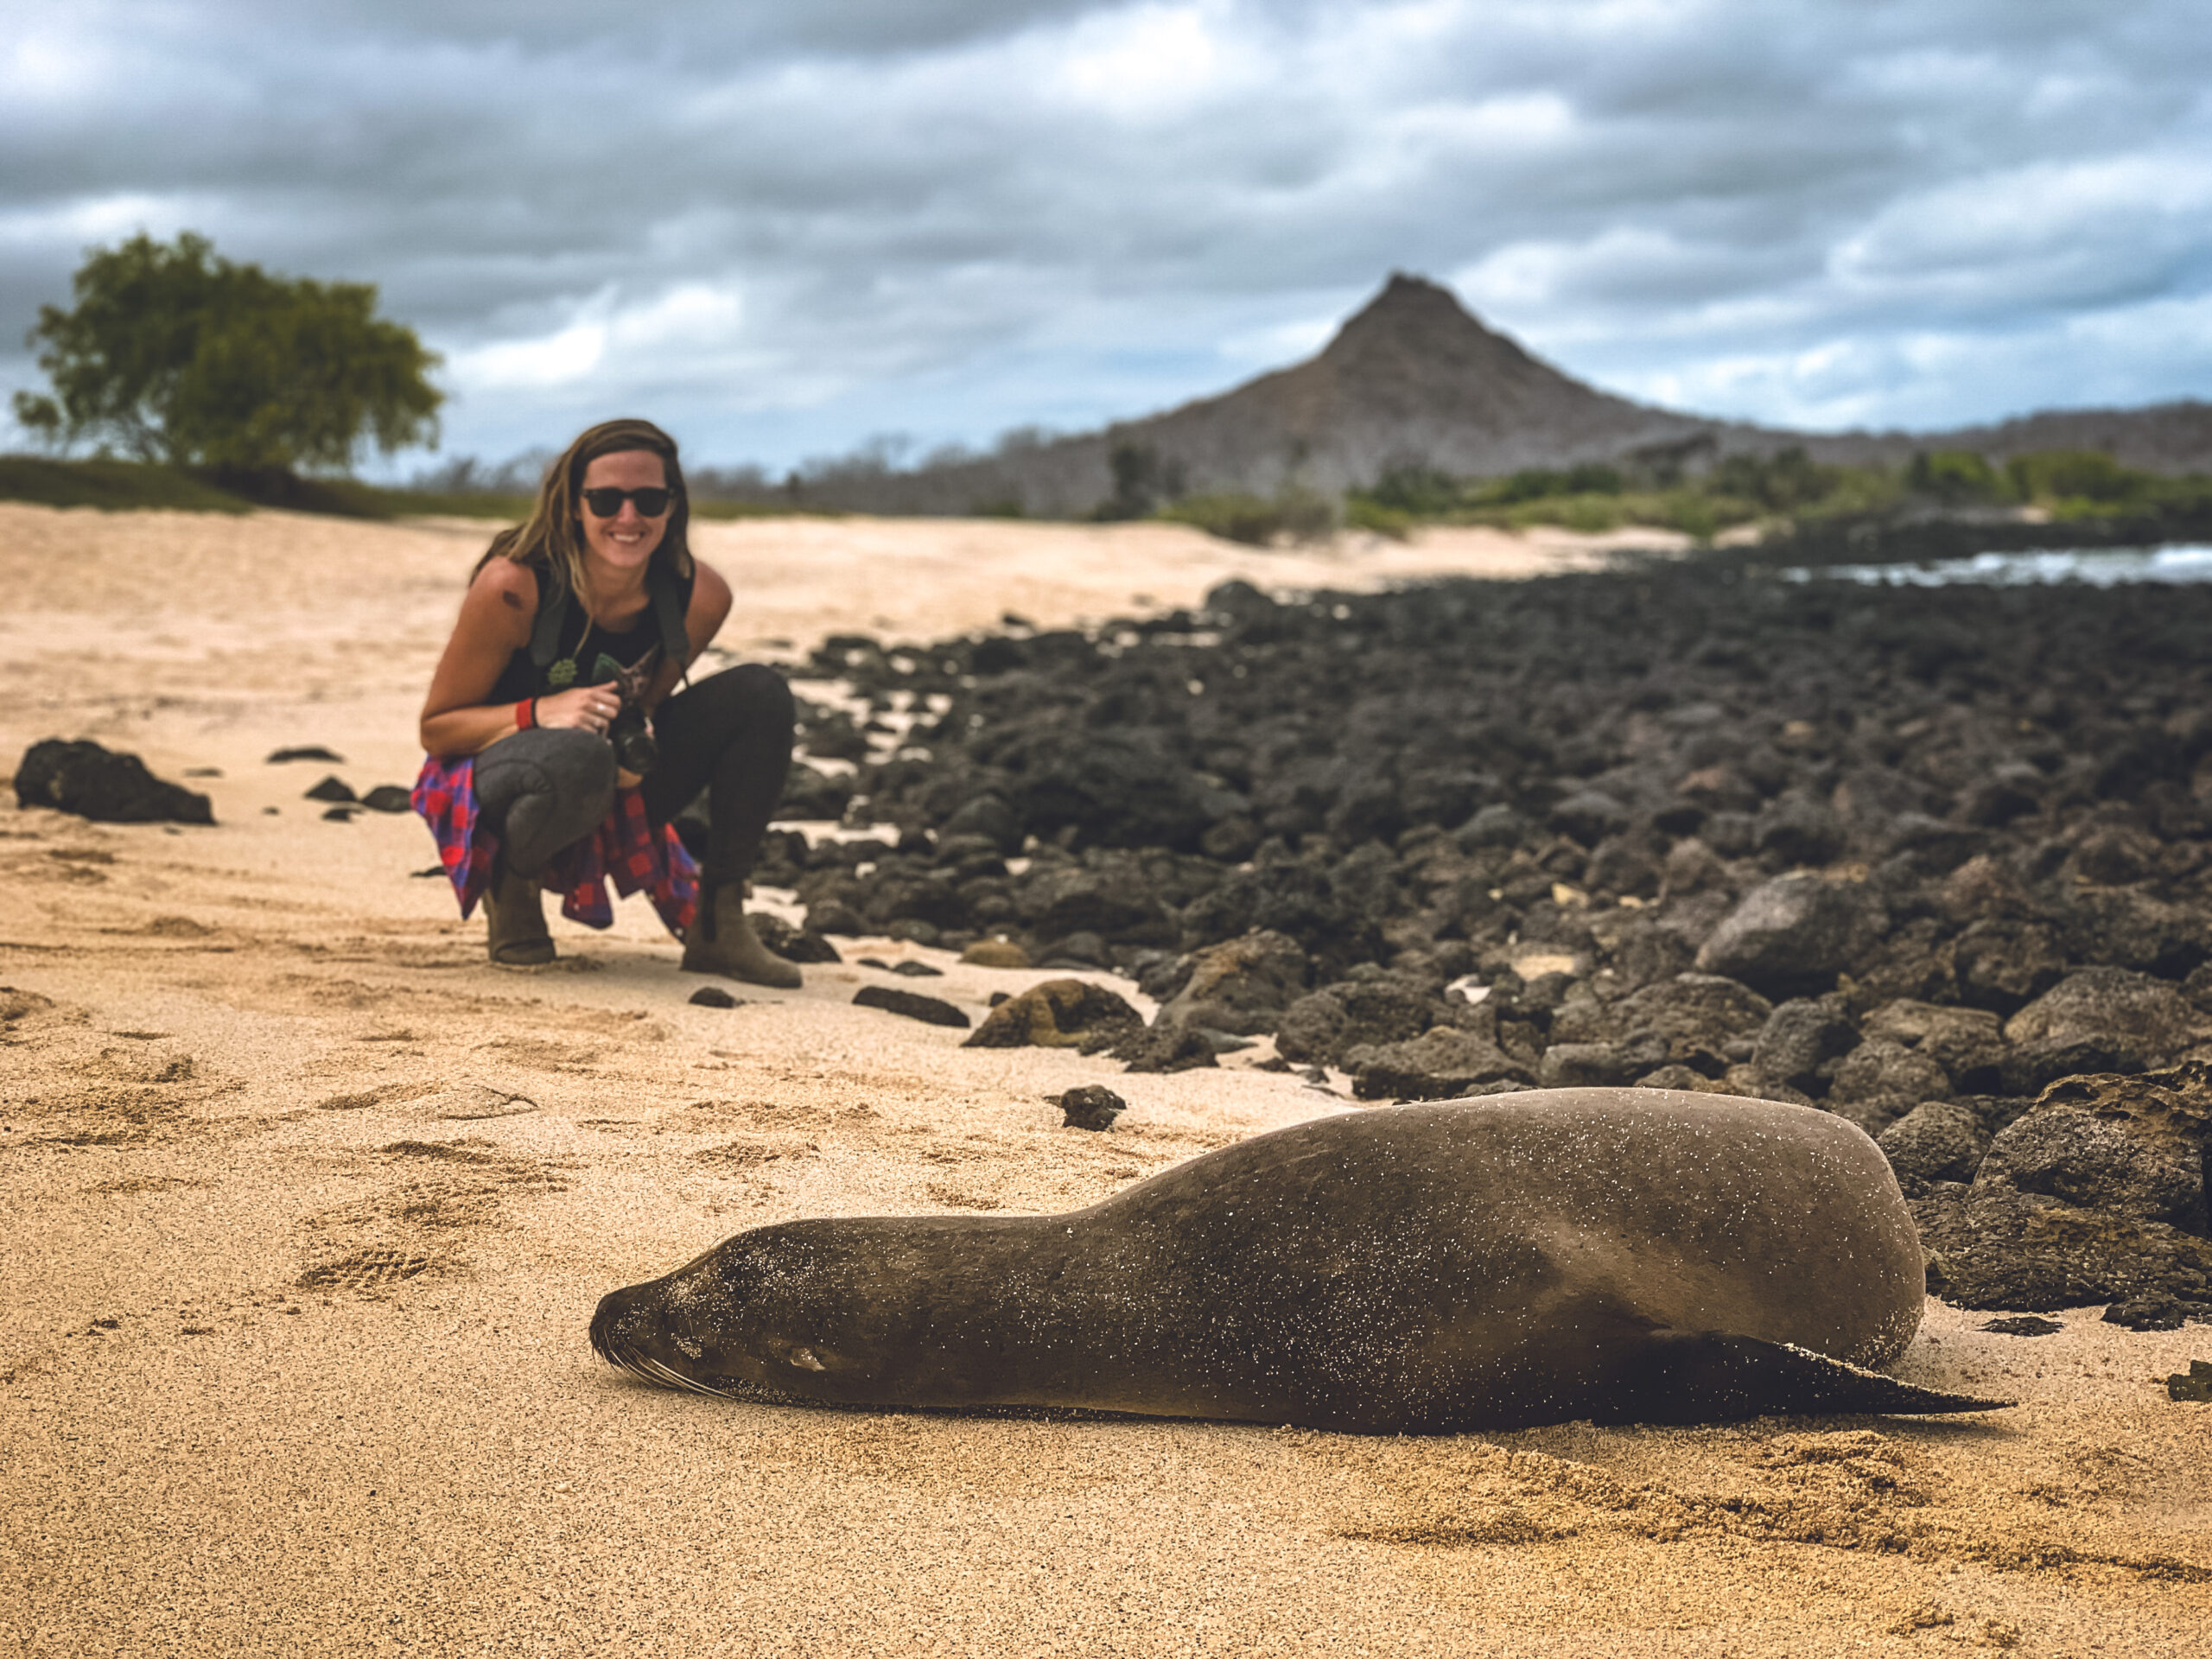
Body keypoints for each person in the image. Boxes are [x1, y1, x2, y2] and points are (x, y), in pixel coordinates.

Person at [412, 416, 801, 987]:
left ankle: (719, 924)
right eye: (606, 500)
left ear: (672, 506)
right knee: (577, 753)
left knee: (760, 694)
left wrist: (634, 743)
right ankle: (509, 882)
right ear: (573, 504)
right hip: (499, 779)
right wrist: (539, 713)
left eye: (648, 499)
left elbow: (646, 704)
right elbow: (437, 730)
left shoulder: (701, 595)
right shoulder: (514, 586)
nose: (628, 518)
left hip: (603, 775)